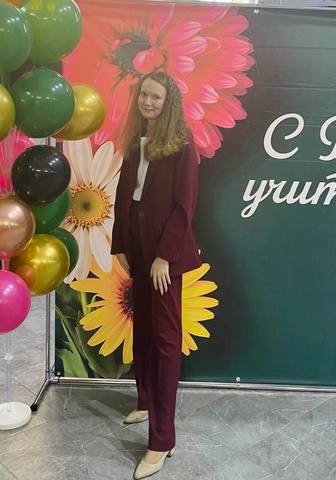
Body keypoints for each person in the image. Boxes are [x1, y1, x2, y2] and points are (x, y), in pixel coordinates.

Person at [111, 70, 201, 480]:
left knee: (165, 341)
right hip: (137, 248)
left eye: (156, 97)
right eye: (144, 95)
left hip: (164, 256)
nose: (147, 102)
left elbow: (185, 208)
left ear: (169, 103)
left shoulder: (182, 145)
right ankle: (145, 400)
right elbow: (123, 195)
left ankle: (162, 440)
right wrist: (121, 245)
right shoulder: (136, 141)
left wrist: (164, 256)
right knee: (143, 330)